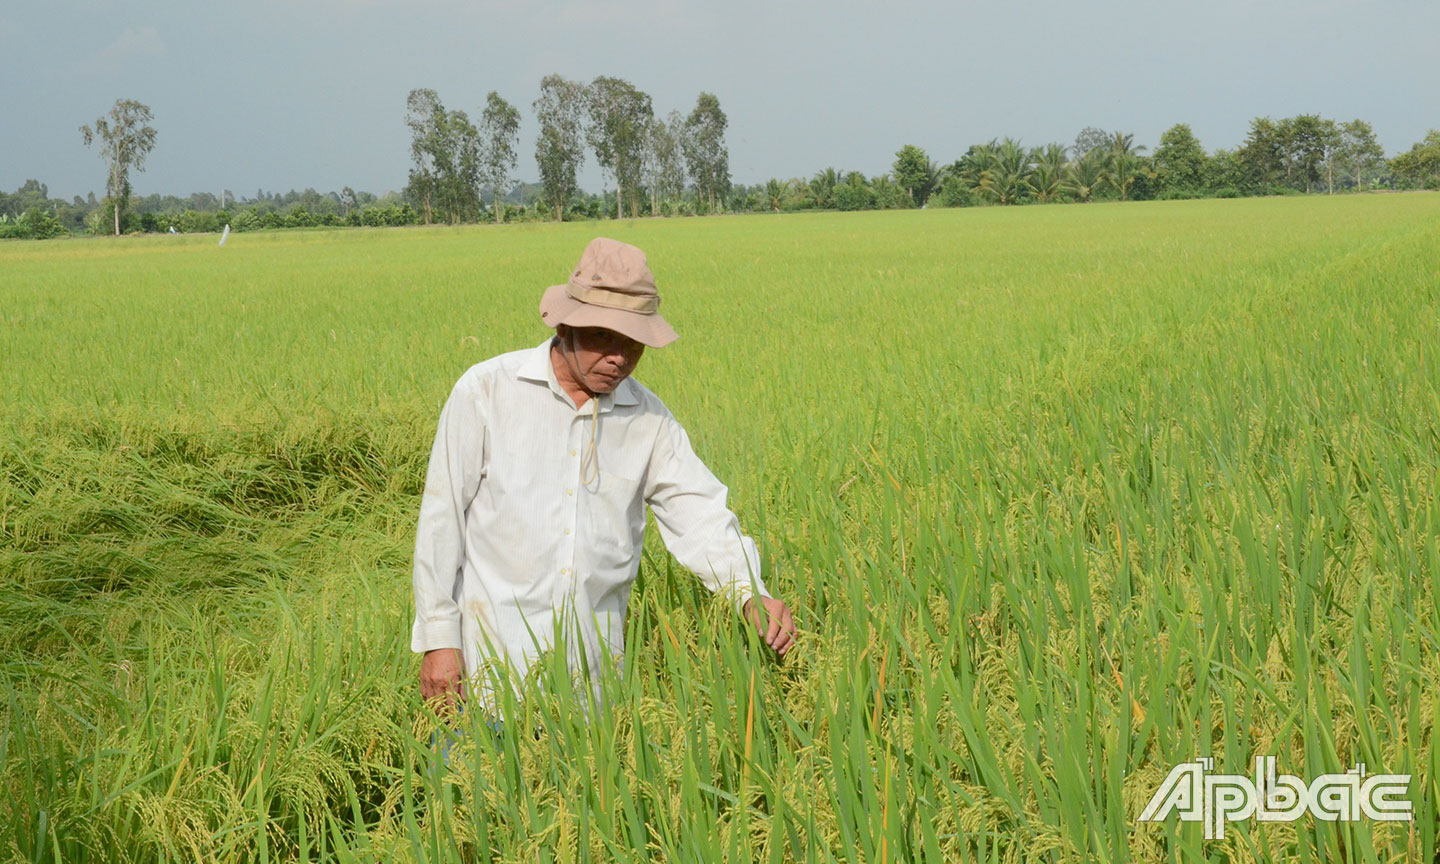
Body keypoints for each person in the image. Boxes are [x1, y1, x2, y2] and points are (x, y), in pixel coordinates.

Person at [412, 237, 797, 711]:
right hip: (486, 673)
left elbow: (699, 515)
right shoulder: (487, 392)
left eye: (632, 342)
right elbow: (441, 519)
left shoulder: (648, 420)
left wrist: (749, 593)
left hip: (591, 689)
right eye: (604, 337)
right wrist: (438, 640)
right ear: (567, 326)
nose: (619, 357)